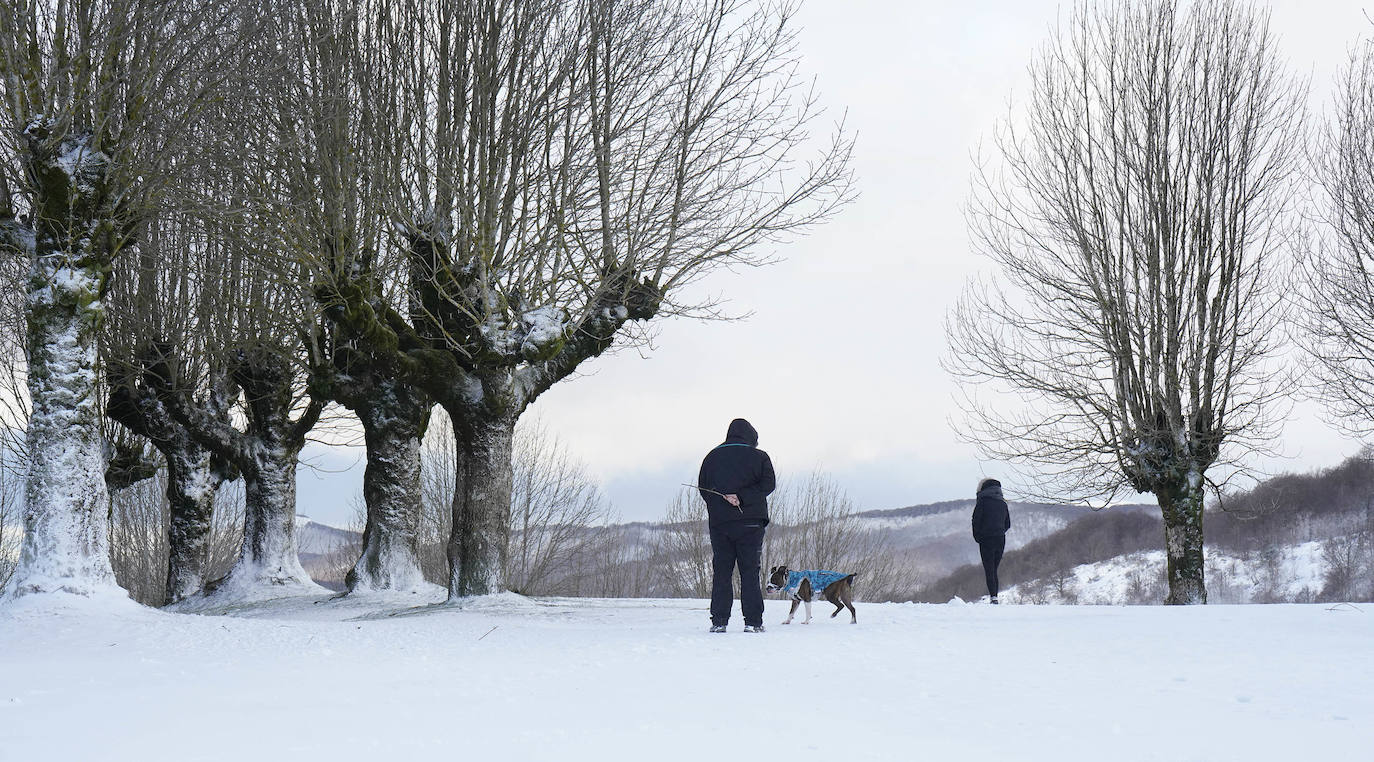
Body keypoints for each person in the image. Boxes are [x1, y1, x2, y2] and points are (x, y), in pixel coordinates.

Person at [698, 418, 776, 633]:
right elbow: (769, 484)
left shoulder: (711, 457)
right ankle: (753, 622)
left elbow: (703, 489)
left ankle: (719, 621)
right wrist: (742, 498)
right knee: (750, 572)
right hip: (751, 523)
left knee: (722, 571)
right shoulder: (760, 457)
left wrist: (721, 504)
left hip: (721, 523)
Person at [972, 477, 1011, 604]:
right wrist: (999, 531)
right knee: (994, 569)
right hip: (1000, 539)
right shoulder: (1003, 503)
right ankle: (994, 596)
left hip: (986, 539)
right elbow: (1008, 524)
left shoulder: (982, 502)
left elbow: (976, 521)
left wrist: (978, 537)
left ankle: (994, 597)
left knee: (989, 569)